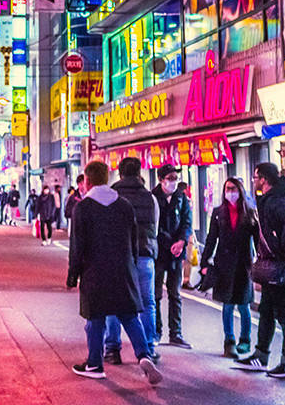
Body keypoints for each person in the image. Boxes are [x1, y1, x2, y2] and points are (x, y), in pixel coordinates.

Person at [66, 161, 163, 384]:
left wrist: (73, 274)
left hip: (95, 271)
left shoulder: (83, 207)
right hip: (124, 269)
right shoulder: (124, 205)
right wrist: (131, 264)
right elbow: (132, 240)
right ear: (107, 178)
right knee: (129, 315)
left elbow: (77, 246)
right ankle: (144, 355)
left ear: (87, 181)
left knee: (95, 318)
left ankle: (95, 363)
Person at [234, 162, 285, 378]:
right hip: (272, 267)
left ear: (264, 179)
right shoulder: (267, 201)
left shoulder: (275, 201)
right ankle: (260, 355)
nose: (254, 180)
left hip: (281, 267)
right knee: (266, 311)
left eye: (256, 176)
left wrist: (280, 246)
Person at [103, 157, 162, 363]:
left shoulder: (110, 196)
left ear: (119, 174)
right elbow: (155, 226)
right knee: (147, 302)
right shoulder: (150, 197)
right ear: (139, 173)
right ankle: (149, 347)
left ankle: (112, 349)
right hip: (144, 254)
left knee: (112, 302)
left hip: (117, 256)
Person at [201, 177, 258, 358]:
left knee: (244, 305)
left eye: (233, 189)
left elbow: (257, 240)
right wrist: (204, 262)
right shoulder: (218, 213)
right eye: (227, 189)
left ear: (240, 191)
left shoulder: (250, 213)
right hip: (224, 263)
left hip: (244, 264)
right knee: (227, 305)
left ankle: (245, 340)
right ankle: (229, 341)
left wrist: (260, 262)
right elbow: (211, 239)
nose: (230, 192)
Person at [152, 166, 193, 349]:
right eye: (170, 177)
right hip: (159, 253)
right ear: (161, 179)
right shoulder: (152, 197)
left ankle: (175, 333)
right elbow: (153, 226)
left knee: (175, 294)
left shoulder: (181, 197)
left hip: (177, 254)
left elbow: (187, 221)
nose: (174, 181)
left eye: (176, 178)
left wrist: (182, 241)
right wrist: (170, 244)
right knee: (155, 295)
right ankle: (156, 331)